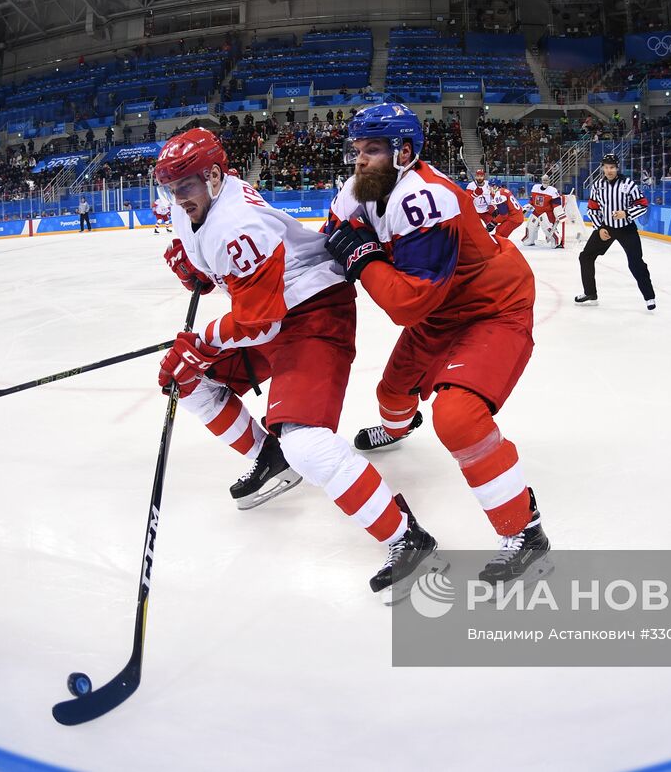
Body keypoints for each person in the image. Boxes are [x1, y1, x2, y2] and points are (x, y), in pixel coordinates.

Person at [153, 128, 441, 600]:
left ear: (211, 174)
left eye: (184, 184)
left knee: (307, 443)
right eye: (171, 187)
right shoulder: (198, 204)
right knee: (185, 382)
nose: (177, 197)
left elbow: (258, 323)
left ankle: (407, 539)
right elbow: (234, 291)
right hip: (273, 309)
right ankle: (268, 458)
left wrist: (202, 342)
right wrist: (198, 274)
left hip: (313, 307)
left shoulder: (237, 223)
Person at [324, 103, 551, 583]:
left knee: (458, 415)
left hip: (492, 307)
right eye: (357, 150)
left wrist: (363, 257)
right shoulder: (356, 190)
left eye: (373, 150)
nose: (360, 160)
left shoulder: (427, 197)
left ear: (404, 152)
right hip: (443, 308)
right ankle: (401, 428)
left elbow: (407, 305)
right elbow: (331, 242)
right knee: (390, 393)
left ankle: (524, 533)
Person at [576, 154, 655, 310]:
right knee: (586, 256)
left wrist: (626, 213)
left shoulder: (629, 184)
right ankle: (590, 293)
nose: (609, 170)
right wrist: (600, 228)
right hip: (607, 228)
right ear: (603, 168)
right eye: (606, 167)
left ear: (617, 168)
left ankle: (649, 297)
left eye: (612, 167)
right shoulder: (598, 185)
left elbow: (643, 204)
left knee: (636, 262)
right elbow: (592, 209)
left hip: (627, 229)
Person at [524, 177, 565, 248]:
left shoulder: (552, 191)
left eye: (546, 180)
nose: (545, 182)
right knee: (530, 226)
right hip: (536, 211)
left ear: (549, 181)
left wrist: (559, 214)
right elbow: (532, 200)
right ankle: (530, 240)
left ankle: (556, 241)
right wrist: (527, 207)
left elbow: (556, 204)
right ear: (541, 181)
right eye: (544, 180)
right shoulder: (535, 188)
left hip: (546, 213)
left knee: (548, 228)